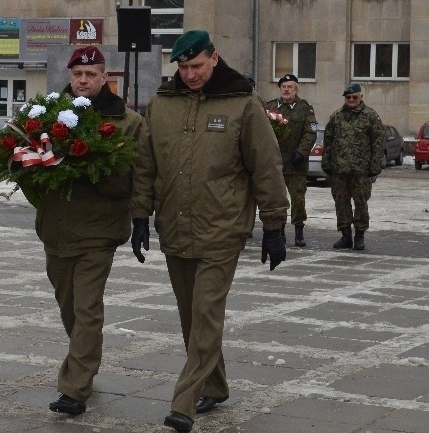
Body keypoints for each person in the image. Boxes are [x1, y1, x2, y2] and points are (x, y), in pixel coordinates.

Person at [129, 30, 289, 432]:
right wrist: (139, 217)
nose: (190, 74)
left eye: (196, 65)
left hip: (223, 228)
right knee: (190, 317)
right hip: (175, 226)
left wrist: (274, 224)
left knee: (205, 315)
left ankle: (183, 402)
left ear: (214, 58)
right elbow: (147, 165)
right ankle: (215, 385)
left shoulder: (242, 103)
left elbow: (265, 165)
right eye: (182, 67)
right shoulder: (161, 104)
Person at [39, 46, 142, 415]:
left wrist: (141, 216)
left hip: (99, 232)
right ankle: (84, 362)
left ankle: (74, 387)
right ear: (71, 77)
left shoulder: (126, 121)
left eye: (91, 74)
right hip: (56, 229)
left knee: (86, 309)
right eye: (78, 74)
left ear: (104, 77)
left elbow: (136, 178)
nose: (84, 80)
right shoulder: (50, 116)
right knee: (68, 307)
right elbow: (29, 167)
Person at [322, 83, 383, 251]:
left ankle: (360, 236)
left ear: (361, 97)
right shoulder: (337, 116)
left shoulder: (371, 116)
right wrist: (327, 165)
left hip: (361, 170)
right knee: (341, 203)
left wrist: (375, 167)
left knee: (361, 203)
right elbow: (328, 141)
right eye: (348, 97)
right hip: (339, 169)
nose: (351, 100)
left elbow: (377, 143)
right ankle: (345, 235)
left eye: (354, 97)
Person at [266, 74, 318, 247]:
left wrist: (301, 152)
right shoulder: (271, 107)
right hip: (276, 163)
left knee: (298, 199)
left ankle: (298, 231)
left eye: (290, 87)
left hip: (296, 164)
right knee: (277, 200)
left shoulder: (305, 108)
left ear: (296, 89)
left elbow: (310, 132)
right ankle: (279, 231)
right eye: (283, 87)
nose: (286, 90)